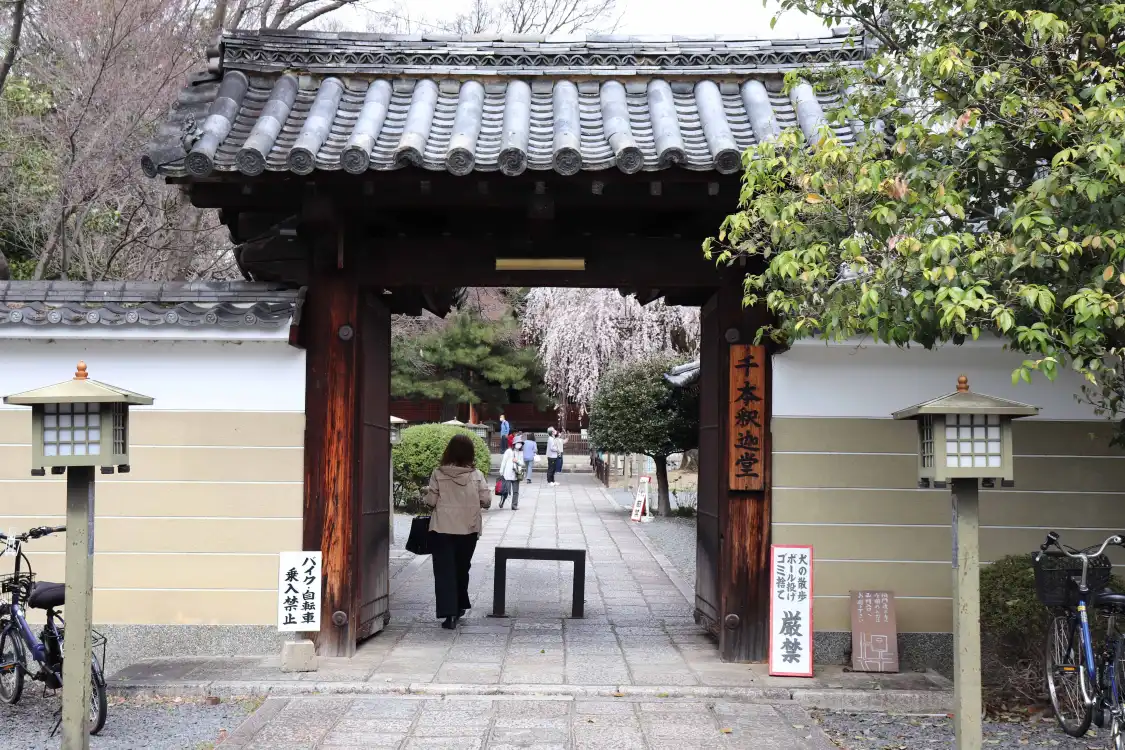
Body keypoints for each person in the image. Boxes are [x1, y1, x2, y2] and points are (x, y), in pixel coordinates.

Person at [422, 434, 492, 630]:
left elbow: (431, 502)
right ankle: (460, 605)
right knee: (462, 569)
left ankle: (449, 614)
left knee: (444, 571)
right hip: (468, 529)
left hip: (442, 528)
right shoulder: (476, 475)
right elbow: (486, 502)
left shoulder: (438, 473)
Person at [498, 436, 525, 510]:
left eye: (520, 443)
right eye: (518, 443)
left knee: (516, 491)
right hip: (508, 474)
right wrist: (501, 471)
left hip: (516, 474)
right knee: (505, 490)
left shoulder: (521, 452)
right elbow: (504, 462)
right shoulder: (509, 451)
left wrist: (517, 461)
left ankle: (514, 505)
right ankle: (502, 501)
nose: (519, 445)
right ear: (514, 443)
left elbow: (522, 463)